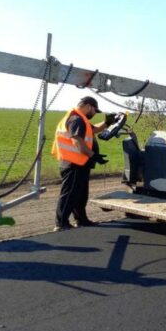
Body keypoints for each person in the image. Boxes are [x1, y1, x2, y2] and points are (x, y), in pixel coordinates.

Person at [52, 96, 115, 231]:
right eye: (94, 110)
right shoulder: (77, 119)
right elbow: (77, 142)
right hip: (74, 164)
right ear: (88, 106)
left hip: (80, 163)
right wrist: (94, 156)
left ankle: (82, 220)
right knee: (70, 194)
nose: (94, 114)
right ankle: (61, 223)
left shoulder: (81, 119)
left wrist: (107, 123)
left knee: (80, 194)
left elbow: (93, 130)